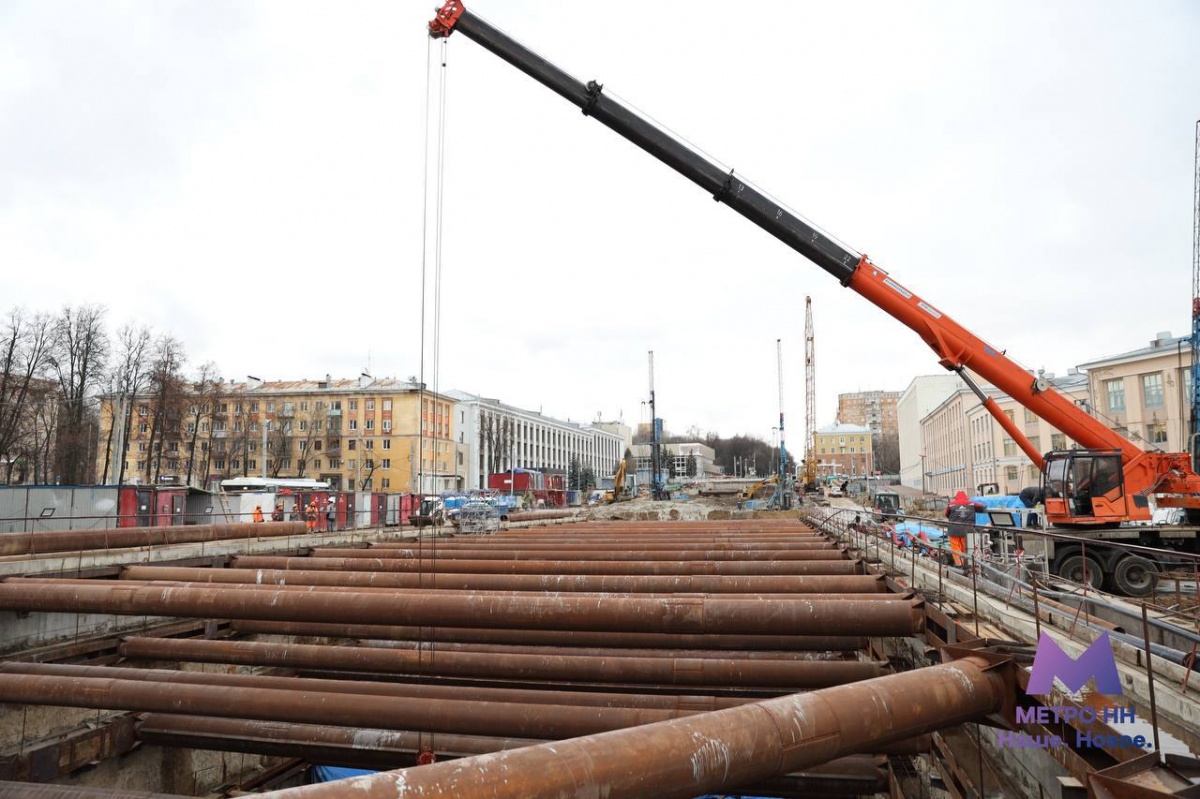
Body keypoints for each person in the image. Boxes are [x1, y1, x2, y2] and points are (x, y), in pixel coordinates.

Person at [944, 490, 986, 567]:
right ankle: (968, 563)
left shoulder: (951, 505)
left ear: (956, 497)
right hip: (968, 530)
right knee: (966, 546)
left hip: (954, 530)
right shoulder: (972, 504)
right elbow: (982, 507)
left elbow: (947, 514)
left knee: (955, 547)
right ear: (966, 497)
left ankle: (959, 564)